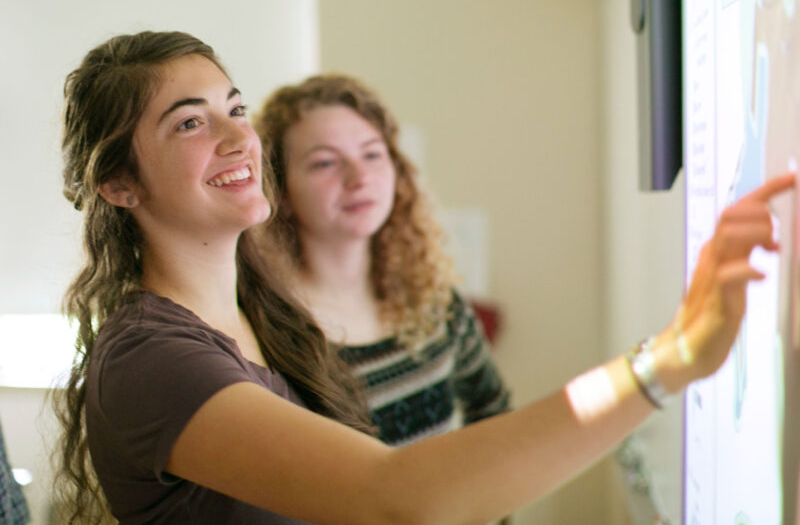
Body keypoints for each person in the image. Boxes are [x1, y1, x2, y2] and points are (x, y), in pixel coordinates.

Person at [53, 30, 794, 525]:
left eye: (234, 108)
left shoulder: (266, 314)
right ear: (120, 184)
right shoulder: (152, 359)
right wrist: (664, 363)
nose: (234, 135)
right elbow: (394, 495)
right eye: (189, 122)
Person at [252, 74, 510, 447]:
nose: (359, 177)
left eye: (372, 154)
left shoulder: (435, 303)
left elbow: (493, 416)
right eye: (325, 163)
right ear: (282, 191)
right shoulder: (267, 333)